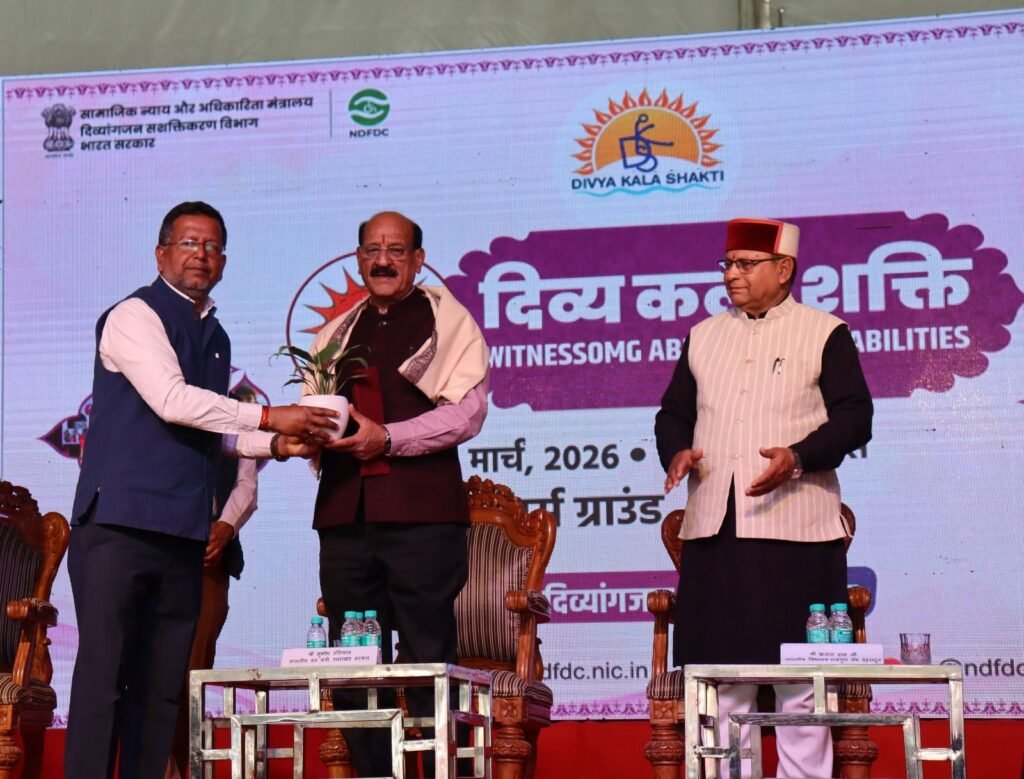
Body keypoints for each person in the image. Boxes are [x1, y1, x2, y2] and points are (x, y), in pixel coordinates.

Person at [66, 201, 335, 779]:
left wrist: (278, 445)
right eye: (189, 243)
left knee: (162, 689)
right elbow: (172, 401)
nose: (201, 255)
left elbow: (209, 429)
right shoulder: (134, 314)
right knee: (105, 679)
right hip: (119, 526)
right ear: (161, 252)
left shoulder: (215, 334)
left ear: (224, 263)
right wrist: (269, 417)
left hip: (183, 534)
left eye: (212, 246)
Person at [654, 218, 873, 778]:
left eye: (746, 264)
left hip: (796, 530)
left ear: (784, 269)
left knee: (800, 682)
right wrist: (676, 451)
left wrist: (797, 457)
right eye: (727, 264)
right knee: (723, 680)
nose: (732, 274)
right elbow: (673, 413)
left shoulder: (824, 332)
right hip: (717, 531)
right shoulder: (703, 335)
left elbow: (855, 417)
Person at [295, 210, 489, 776]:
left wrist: (388, 439)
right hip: (346, 518)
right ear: (358, 259)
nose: (383, 260)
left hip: (421, 516)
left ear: (418, 260)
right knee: (353, 665)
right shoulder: (336, 333)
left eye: (396, 250)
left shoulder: (448, 322)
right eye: (373, 250)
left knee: (428, 658)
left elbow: (467, 414)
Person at [165, 386, 264, 779]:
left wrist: (225, 527)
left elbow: (246, 485)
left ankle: (183, 769)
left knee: (193, 672)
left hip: (209, 557)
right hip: (159, 547)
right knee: (153, 672)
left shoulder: (235, 409)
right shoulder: (164, 394)